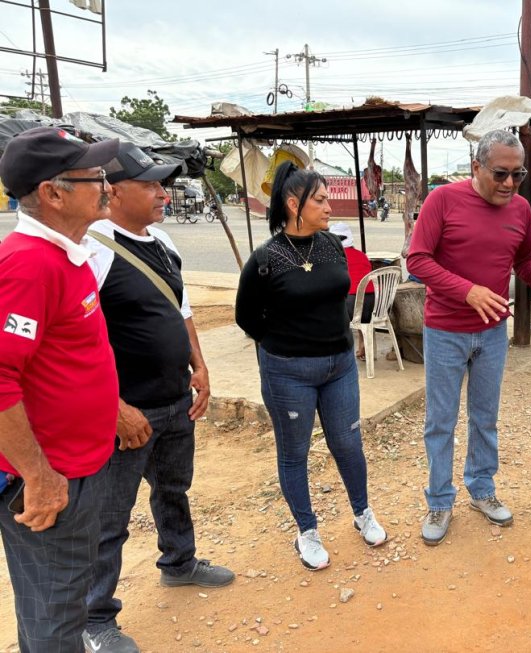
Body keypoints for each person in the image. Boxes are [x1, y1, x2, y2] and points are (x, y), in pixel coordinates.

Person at [81, 143, 235, 653]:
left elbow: (182, 309)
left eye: (161, 184)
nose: (162, 194)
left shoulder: (164, 241)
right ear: (113, 191)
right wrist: (115, 407)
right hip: (127, 411)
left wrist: (200, 364)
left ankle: (180, 563)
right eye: (150, 185)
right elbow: (81, 338)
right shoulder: (93, 247)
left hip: (175, 400)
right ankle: (95, 619)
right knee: (109, 517)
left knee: (173, 489)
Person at [407, 129, 531, 545]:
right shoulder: (443, 200)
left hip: (493, 332)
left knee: (485, 418)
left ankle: (481, 489)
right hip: (445, 330)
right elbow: (418, 259)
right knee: (440, 422)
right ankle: (440, 499)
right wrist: (466, 290)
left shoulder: (522, 210)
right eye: (500, 174)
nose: (510, 184)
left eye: (518, 175)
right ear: (476, 166)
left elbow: (523, 259)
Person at [0, 127, 120, 652]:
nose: (107, 185)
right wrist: (38, 474)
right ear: (53, 193)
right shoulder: (27, 264)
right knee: (55, 615)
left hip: (78, 467)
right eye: (93, 177)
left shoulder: (69, 254)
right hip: (52, 477)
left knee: (63, 603)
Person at [235, 162, 387, 571]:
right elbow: (247, 318)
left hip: (339, 366)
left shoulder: (331, 245)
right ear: (293, 204)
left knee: (348, 443)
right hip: (288, 372)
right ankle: (307, 531)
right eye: (320, 200)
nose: (329, 207)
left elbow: (339, 297)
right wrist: (287, 343)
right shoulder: (265, 259)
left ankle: (362, 513)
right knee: (295, 452)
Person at [329, 222, 374, 359]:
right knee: (359, 311)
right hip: (372, 307)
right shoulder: (362, 255)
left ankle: (335, 353)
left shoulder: (334, 259)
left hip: (350, 307)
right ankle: (363, 346)